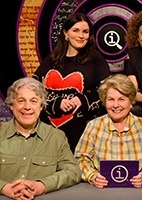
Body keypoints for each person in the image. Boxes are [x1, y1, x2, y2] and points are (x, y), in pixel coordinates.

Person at [0, 77, 81, 200]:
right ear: (11, 105)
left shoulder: (56, 137)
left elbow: (73, 172)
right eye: (21, 101)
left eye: (33, 101)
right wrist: (4, 187)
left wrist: (42, 186)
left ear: (41, 106)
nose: (27, 107)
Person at [33, 13, 111, 152]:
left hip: (80, 133)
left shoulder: (95, 59)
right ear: (65, 33)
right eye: (76, 30)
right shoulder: (52, 59)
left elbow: (107, 91)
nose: (81, 36)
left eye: (85, 32)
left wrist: (82, 99)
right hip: (45, 131)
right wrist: (56, 104)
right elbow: (33, 89)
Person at [74, 74, 142, 188]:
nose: (116, 105)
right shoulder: (93, 126)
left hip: (137, 192)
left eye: (121, 99)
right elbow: (80, 159)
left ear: (131, 102)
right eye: (111, 99)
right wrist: (93, 176)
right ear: (104, 101)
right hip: (102, 191)